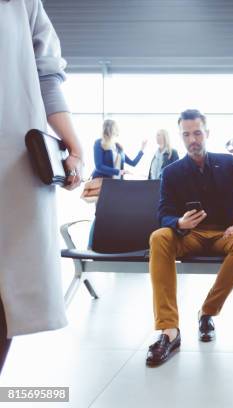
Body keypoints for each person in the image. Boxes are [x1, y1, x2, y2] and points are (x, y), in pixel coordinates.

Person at [0, 0, 84, 374]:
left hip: (11, 159)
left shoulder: (22, 3)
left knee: (6, 291)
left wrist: (73, 146)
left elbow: (46, 73)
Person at [146, 109, 233, 366]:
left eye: (197, 133)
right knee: (159, 237)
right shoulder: (171, 172)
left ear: (207, 133)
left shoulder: (228, 163)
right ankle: (169, 330)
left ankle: (207, 312)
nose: (193, 139)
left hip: (225, 234)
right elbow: (163, 214)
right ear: (181, 137)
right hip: (189, 235)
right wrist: (178, 222)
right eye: (187, 134)